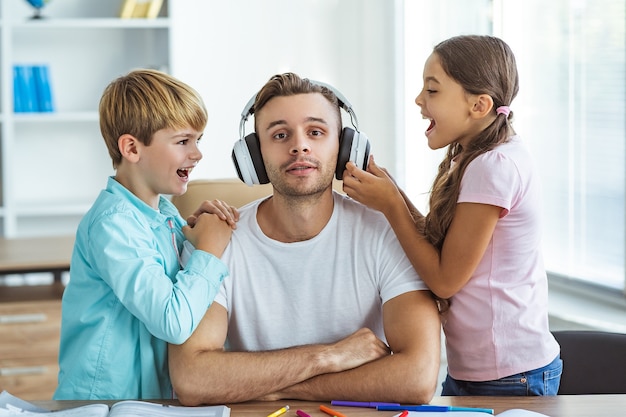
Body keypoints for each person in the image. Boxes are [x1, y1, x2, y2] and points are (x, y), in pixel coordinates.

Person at [168, 73, 442, 405]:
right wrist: (327, 357)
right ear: (254, 156)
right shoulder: (219, 240)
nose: (299, 146)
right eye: (280, 135)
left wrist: (279, 387)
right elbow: (191, 378)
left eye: (316, 132)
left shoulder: (386, 232)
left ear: (344, 147)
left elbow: (417, 378)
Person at [343, 35, 561, 396]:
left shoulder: (494, 167)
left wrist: (392, 206)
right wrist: (392, 193)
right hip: (482, 369)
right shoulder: (479, 156)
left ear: (479, 105)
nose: (418, 100)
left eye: (432, 90)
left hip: (509, 376)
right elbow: (440, 244)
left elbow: (445, 280)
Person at [54, 69, 236, 400]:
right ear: (132, 149)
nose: (197, 153)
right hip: (100, 405)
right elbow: (173, 321)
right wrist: (208, 253)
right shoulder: (113, 225)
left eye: (198, 140)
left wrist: (193, 240)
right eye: (183, 141)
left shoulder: (164, 214)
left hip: (147, 401)